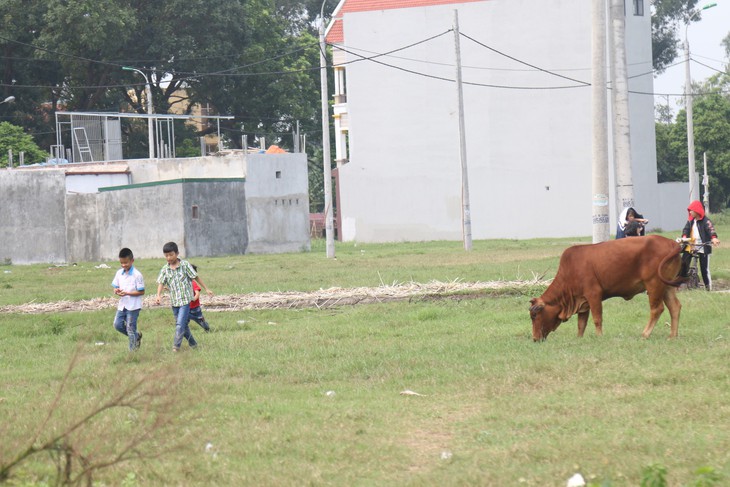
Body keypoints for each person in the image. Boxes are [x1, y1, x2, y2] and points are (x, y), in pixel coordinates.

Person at [155, 242, 213, 352]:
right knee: (183, 326)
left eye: (171, 255)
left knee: (180, 324)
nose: (169, 258)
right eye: (166, 255)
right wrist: (158, 295)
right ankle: (193, 344)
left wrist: (206, 288)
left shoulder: (185, 265)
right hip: (174, 302)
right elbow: (161, 283)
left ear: (177, 253)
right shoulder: (165, 269)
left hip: (185, 301)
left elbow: (195, 277)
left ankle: (176, 346)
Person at [680, 200, 720, 291]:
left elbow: (710, 229)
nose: (690, 212)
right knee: (683, 263)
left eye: (692, 210)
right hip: (691, 245)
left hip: (703, 246)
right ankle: (682, 282)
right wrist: (684, 237)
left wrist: (713, 238)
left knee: (704, 269)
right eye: (689, 210)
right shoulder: (690, 221)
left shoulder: (706, 221)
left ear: (697, 211)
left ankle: (708, 288)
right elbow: (685, 230)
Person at [111, 248, 145, 351]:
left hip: (134, 306)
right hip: (123, 305)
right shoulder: (119, 273)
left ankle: (132, 352)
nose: (124, 265)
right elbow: (115, 287)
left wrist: (127, 293)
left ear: (132, 261)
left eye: (126, 262)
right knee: (117, 325)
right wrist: (116, 291)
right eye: (121, 263)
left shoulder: (137, 275)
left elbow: (141, 291)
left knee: (130, 328)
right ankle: (136, 336)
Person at [189, 264, 211, 332]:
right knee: (184, 319)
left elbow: (197, 293)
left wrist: (194, 298)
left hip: (194, 307)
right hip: (187, 306)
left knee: (199, 320)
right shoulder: (184, 284)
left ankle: (206, 327)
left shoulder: (193, 283)